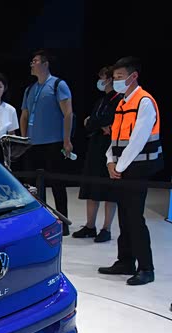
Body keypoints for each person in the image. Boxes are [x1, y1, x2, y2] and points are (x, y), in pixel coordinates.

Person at [98, 57, 163, 286]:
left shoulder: (144, 102)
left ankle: (146, 268)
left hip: (138, 168)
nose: (116, 81)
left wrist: (118, 167)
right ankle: (125, 261)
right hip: (122, 168)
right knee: (124, 217)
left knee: (135, 218)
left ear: (133, 76)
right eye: (115, 77)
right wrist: (110, 161)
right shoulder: (122, 103)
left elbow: (137, 140)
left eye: (119, 77)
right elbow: (115, 138)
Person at [20, 49, 74, 235]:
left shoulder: (58, 85)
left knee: (57, 184)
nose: (32, 64)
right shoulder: (30, 89)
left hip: (54, 143)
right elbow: (24, 115)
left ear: (45, 64)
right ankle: (40, 222)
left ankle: (63, 223)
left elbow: (68, 113)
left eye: (35, 61)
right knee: (34, 187)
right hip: (33, 144)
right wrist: (24, 139)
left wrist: (67, 140)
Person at [73, 66, 122, 242]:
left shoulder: (119, 100)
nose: (100, 80)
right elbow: (89, 123)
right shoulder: (101, 101)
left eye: (103, 77)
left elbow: (109, 122)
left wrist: (95, 122)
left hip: (110, 149)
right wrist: (96, 123)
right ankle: (90, 226)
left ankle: (106, 229)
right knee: (91, 188)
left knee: (110, 191)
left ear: (109, 79)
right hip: (94, 147)